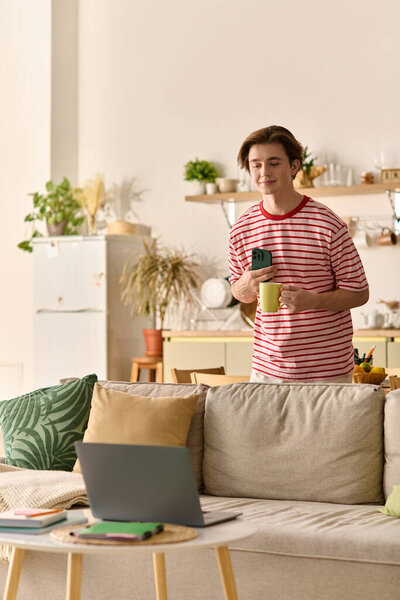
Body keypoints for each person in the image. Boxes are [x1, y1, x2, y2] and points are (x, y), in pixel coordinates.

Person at [229, 125, 369, 383]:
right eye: (256, 164)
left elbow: (359, 292)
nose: (264, 172)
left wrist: (313, 301)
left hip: (327, 371)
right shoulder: (241, 228)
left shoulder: (327, 224)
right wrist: (244, 284)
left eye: (273, 163)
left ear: (294, 166)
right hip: (267, 370)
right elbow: (239, 292)